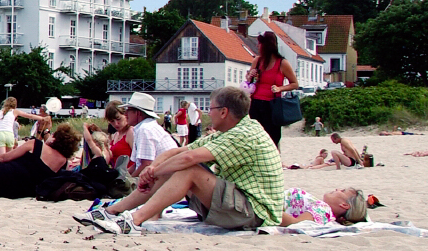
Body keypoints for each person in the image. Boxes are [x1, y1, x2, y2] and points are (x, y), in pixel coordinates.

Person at [87, 85, 283, 235]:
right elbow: (180, 151)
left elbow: (189, 157)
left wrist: (153, 171)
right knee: (178, 165)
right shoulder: (232, 130)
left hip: (252, 212)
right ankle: (114, 211)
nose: (208, 112)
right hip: (247, 206)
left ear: (224, 112)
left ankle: (134, 219)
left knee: (188, 169)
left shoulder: (242, 134)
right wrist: (155, 167)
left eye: (211, 108)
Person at [245, 30, 300, 146]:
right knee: (254, 136)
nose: (257, 46)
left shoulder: (282, 63)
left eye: (259, 44)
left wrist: (280, 88)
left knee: (272, 136)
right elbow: (248, 82)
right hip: (256, 103)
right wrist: (250, 76)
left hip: (272, 104)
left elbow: (295, 84)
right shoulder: (258, 61)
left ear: (265, 45)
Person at [118, 92, 175, 176]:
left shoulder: (145, 129)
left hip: (164, 178)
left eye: (128, 110)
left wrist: (129, 181)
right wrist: (121, 177)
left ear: (138, 113)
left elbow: (146, 165)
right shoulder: (145, 127)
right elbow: (136, 165)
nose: (125, 114)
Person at [81, 102, 133, 173]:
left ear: (125, 115)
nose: (116, 124)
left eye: (118, 119)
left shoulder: (130, 132)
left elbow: (138, 160)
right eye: (112, 121)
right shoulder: (115, 135)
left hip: (128, 175)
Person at [281, 186, 369, 226]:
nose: (337, 189)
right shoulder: (325, 212)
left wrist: (269, 208)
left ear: (344, 205)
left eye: (342, 191)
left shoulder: (324, 210)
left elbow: (296, 223)